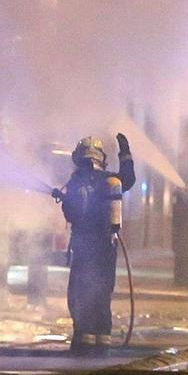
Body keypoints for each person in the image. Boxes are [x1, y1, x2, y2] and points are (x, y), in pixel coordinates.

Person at [52, 133, 136, 355]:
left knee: (80, 293)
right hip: (107, 247)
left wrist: (65, 200)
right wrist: (125, 151)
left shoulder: (76, 182)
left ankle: (83, 342)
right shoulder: (110, 181)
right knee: (101, 293)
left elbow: (71, 214)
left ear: (78, 157)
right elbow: (129, 179)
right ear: (101, 158)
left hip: (83, 246)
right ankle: (102, 344)